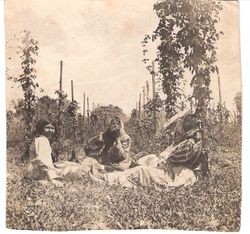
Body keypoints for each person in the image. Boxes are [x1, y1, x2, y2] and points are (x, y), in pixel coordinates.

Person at [25, 119, 84, 186]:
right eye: (47, 128)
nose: (50, 131)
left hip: (35, 170)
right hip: (38, 172)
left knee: (73, 165)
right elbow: (41, 161)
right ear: (41, 128)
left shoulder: (40, 139)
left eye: (52, 128)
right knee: (77, 168)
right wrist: (51, 180)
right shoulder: (42, 140)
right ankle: (43, 181)